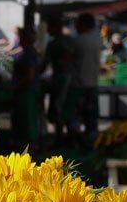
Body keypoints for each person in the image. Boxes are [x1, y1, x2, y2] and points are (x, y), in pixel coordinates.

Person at [42, 17, 75, 145]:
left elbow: (45, 64)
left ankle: (60, 138)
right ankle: (70, 138)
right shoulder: (69, 41)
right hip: (71, 79)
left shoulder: (54, 44)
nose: (48, 31)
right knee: (68, 109)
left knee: (58, 108)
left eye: (50, 27)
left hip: (61, 79)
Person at [72, 13, 102, 147]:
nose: (75, 26)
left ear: (83, 24)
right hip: (93, 83)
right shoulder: (98, 39)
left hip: (79, 84)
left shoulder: (78, 41)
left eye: (77, 23)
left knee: (76, 117)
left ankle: (78, 144)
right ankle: (92, 143)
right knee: (91, 118)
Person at [11, 28, 41, 146]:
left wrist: (16, 86)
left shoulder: (29, 54)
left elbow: (30, 76)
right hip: (27, 91)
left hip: (26, 92)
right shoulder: (30, 52)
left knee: (28, 121)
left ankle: (31, 146)